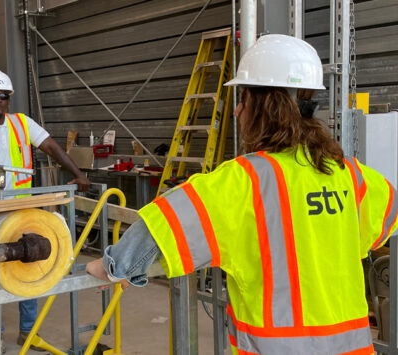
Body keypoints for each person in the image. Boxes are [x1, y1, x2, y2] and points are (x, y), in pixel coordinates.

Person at [86, 34, 397, 354]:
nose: (236, 111)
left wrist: (112, 266)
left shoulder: (242, 181)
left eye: (242, 99)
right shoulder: (349, 174)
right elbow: (388, 216)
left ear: (262, 105)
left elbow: (157, 230)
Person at [0, 70, 90, 351]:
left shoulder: (22, 124)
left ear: (9, 99)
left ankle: (28, 332)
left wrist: (78, 174)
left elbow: (52, 147)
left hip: (23, 207)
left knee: (29, 263)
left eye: (3, 96)